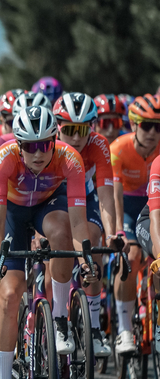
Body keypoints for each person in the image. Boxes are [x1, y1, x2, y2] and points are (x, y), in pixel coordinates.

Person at [0, 106, 90, 379]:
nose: (37, 153)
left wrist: (84, 256)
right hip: (14, 216)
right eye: (29, 146)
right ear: (18, 144)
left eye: (44, 145)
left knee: (62, 232)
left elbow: (78, 221)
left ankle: (59, 318)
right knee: (10, 293)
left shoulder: (70, 159)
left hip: (49, 205)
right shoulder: (4, 158)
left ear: (54, 140)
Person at [54, 92, 119, 357]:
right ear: (58, 127)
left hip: (87, 197)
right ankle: (54, 323)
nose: (77, 137)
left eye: (83, 130)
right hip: (53, 198)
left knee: (93, 242)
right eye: (69, 130)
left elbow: (106, 196)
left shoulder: (99, 144)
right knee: (55, 247)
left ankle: (93, 326)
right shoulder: (49, 145)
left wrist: (113, 232)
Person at [110, 94, 160, 355]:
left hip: (154, 205)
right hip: (129, 208)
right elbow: (115, 196)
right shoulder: (118, 148)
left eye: (158, 126)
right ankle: (125, 329)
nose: (153, 132)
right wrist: (119, 231)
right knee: (131, 255)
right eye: (146, 125)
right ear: (133, 125)